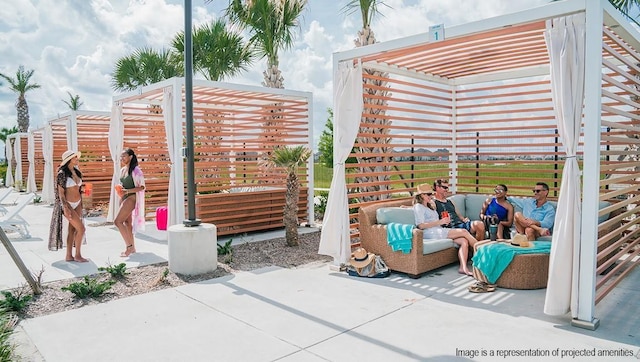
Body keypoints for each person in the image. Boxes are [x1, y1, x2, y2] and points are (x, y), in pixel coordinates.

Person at [413, 184, 478, 276]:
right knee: (464, 232)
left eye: (431, 194)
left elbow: (435, 221)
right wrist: (439, 222)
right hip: (429, 232)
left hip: (438, 230)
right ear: (422, 195)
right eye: (428, 194)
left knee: (464, 241)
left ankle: (463, 268)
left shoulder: (430, 206)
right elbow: (420, 226)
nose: (431, 196)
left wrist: (443, 222)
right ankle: (482, 251)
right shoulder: (418, 206)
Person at [48, 150, 87, 262]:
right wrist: (65, 207)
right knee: (81, 228)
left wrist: (82, 191)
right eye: (75, 157)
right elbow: (61, 194)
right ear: (69, 160)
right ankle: (78, 255)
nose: (77, 159)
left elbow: (77, 188)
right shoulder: (62, 174)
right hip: (68, 204)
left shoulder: (76, 172)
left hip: (78, 203)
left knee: (73, 229)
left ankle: (69, 256)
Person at [114, 148, 145, 257]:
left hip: (132, 198)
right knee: (127, 223)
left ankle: (129, 247)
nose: (122, 158)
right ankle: (133, 248)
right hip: (124, 197)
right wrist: (121, 189)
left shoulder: (136, 171)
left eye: (124, 156)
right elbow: (124, 184)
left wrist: (128, 191)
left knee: (117, 221)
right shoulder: (123, 170)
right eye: (121, 156)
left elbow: (142, 187)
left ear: (130, 157)